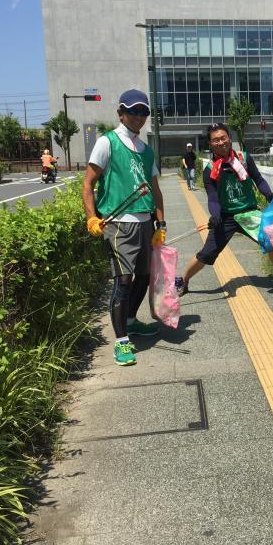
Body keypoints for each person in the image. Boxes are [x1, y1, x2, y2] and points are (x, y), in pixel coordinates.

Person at [82, 89, 166, 367]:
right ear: (121, 113)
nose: (139, 116)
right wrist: (92, 217)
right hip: (118, 224)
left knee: (143, 277)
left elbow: (154, 189)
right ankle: (121, 342)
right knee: (124, 281)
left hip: (145, 223)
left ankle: (130, 321)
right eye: (133, 111)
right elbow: (88, 184)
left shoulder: (145, 149)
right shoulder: (107, 142)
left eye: (144, 112)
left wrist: (160, 223)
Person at [175, 123, 273, 296]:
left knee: (272, 240)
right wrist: (215, 215)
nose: (220, 142)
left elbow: (258, 179)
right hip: (225, 217)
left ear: (229, 139)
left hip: (249, 212)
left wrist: (268, 194)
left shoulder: (244, 158)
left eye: (223, 138)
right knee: (206, 254)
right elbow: (213, 197)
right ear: (210, 144)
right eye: (215, 140)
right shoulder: (210, 170)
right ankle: (183, 281)